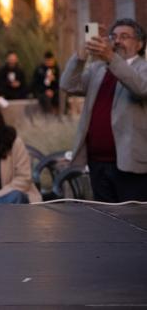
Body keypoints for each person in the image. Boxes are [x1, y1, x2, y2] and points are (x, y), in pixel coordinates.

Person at [60, 19, 147, 202]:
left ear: (139, 44)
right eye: (113, 37)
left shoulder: (142, 68)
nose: (117, 41)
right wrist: (82, 55)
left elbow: (141, 88)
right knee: (105, 221)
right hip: (97, 161)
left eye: (125, 37)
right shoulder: (98, 68)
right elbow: (68, 84)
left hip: (130, 164)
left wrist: (111, 58)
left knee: (133, 223)